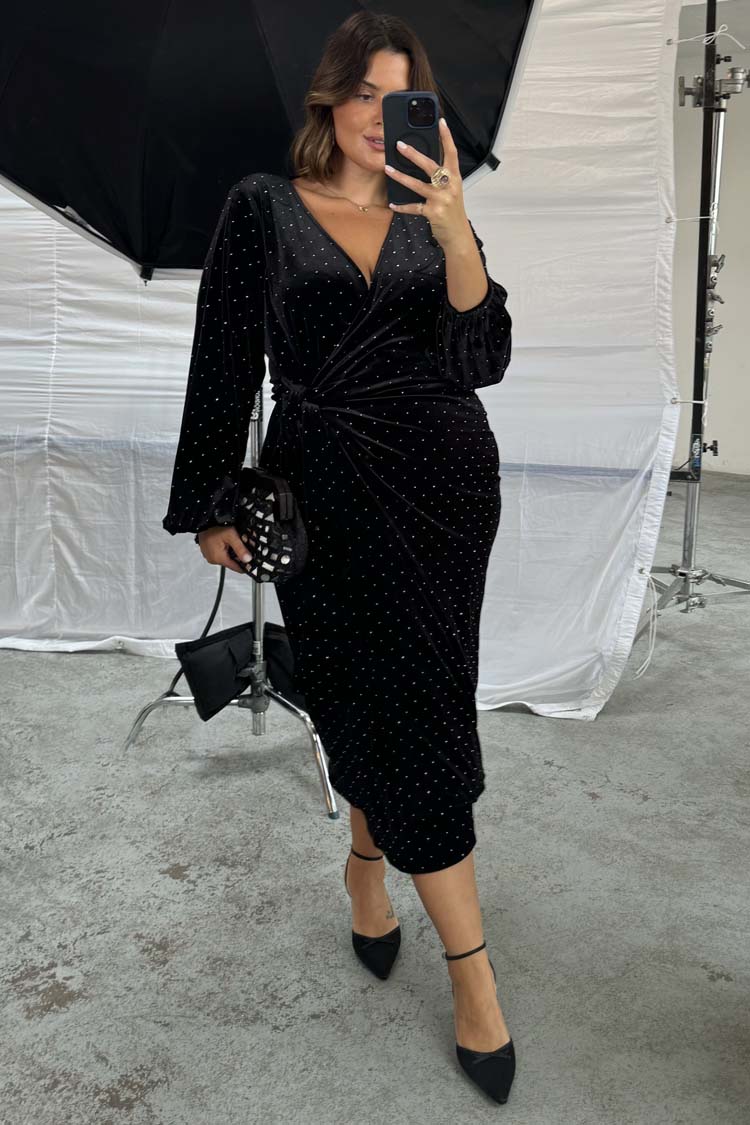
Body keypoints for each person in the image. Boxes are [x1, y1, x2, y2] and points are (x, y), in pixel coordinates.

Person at [162, 12, 515, 1105]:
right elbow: (223, 360)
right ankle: (397, 896)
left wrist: (457, 231)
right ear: (329, 99)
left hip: (445, 493)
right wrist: (210, 500)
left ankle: (441, 941)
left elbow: (483, 356)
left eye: (399, 96)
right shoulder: (264, 207)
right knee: (368, 698)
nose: (378, 115)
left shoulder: (432, 214)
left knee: (422, 710)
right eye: (363, 92)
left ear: (425, 113)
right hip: (327, 501)